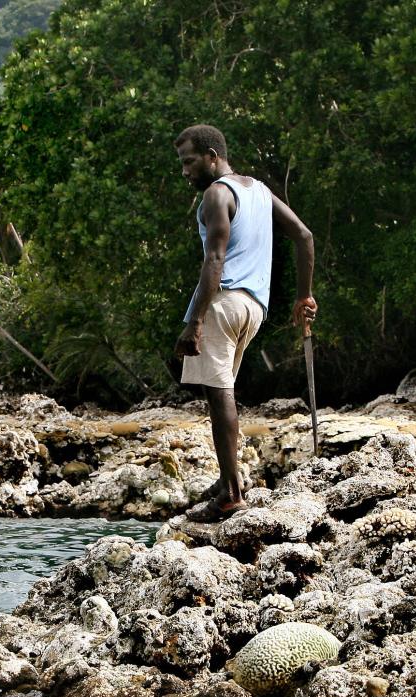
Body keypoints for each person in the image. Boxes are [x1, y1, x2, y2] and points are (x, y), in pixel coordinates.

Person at [173, 124, 316, 523]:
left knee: (219, 395)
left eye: (189, 161)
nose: (185, 171)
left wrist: (195, 321)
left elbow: (214, 261)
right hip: (254, 307)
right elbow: (303, 236)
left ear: (212, 156)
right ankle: (226, 482)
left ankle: (231, 493)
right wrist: (303, 295)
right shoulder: (257, 190)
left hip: (223, 303)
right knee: (223, 390)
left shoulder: (217, 193)